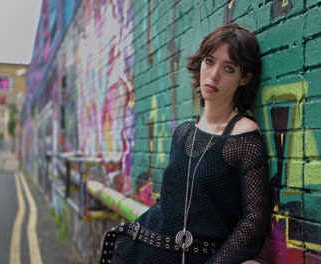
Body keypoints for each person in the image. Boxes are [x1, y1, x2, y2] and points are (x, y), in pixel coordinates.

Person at [100, 23, 270, 264]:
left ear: (244, 78)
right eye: (209, 61)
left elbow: (254, 222)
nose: (213, 75)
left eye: (229, 68)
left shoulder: (242, 136)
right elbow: (168, 203)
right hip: (144, 249)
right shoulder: (183, 133)